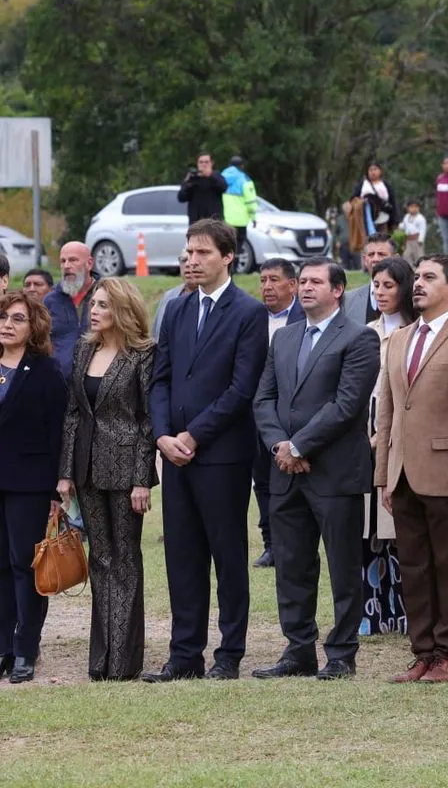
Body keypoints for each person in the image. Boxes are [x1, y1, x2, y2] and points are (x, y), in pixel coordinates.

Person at [145, 219, 268, 683]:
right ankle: (184, 654)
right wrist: (162, 436)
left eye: (202, 253)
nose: (191, 260)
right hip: (174, 455)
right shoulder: (176, 309)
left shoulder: (248, 312)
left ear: (227, 257)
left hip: (221, 456)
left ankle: (229, 653)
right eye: (188, 252)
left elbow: (241, 389)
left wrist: (193, 436)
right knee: (182, 555)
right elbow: (160, 379)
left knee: (227, 554)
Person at [251, 258, 380, 681]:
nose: (305, 288)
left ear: (338, 290)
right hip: (285, 471)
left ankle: (341, 653)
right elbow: (263, 400)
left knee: (343, 566)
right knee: (291, 564)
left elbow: (346, 405)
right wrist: (279, 446)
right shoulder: (284, 338)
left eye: (315, 282)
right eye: (302, 281)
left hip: (334, 472)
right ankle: (298, 649)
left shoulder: (359, 338)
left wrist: (300, 444)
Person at [376, 255, 448, 684]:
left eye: (430, 278)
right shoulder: (399, 338)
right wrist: (384, 474)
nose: (419, 284)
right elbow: (387, 412)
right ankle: (422, 651)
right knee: (414, 567)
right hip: (403, 474)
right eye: (418, 277)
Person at [57, 278, 156, 681]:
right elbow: (73, 415)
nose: (93, 311)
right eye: (93, 304)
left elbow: (148, 421)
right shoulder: (84, 350)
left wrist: (142, 479)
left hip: (126, 469)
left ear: (122, 311)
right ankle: (100, 660)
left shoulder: (142, 355)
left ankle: (124, 660)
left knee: (126, 560)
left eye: (102, 305)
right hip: (86, 470)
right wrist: (65, 473)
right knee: (100, 558)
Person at [0, 291, 66, 683]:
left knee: (25, 566)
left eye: (18, 318)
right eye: (4, 316)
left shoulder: (45, 370)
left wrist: (58, 486)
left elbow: (57, 429)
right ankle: (3, 647)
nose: (8, 324)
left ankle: (26, 648)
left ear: (34, 326)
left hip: (28, 483)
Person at [361, 256, 416, 635]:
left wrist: (389, 431)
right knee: (367, 531)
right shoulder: (365, 331)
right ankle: (371, 611)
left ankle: (405, 610)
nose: (380, 293)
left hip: (400, 438)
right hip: (363, 439)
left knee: (398, 528)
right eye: (376, 286)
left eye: (389, 286)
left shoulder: (416, 332)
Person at [251, 258, 305, 568]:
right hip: (259, 416)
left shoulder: (304, 317)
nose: (267, 286)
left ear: (292, 284)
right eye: (263, 280)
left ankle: (295, 543)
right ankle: (271, 543)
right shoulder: (253, 317)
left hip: (297, 416)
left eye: (274, 279)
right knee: (263, 483)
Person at [43, 241, 101, 379]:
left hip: (97, 385)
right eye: (63, 261)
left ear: (89, 263)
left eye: (73, 260)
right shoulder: (50, 300)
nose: (67, 266)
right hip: (59, 383)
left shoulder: (108, 295)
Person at [344, 233, 397, 325]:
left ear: (396, 258)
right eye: (371, 254)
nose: (375, 259)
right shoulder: (348, 300)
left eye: (381, 254)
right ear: (365, 259)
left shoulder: (409, 297)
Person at [151, 252, 199, 341]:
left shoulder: (209, 300)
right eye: (184, 260)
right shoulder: (169, 296)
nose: (188, 264)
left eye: (192, 260)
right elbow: (154, 336)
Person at [221, 156, 258, 255]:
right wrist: (253, 217)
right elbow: (250, 201)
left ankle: (227, 267)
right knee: (238, 244)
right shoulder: (245, 179)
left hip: (224, 218)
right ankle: (235, 265)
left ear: (229, 165)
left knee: (225, 243)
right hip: (240, 219)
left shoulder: (220, 177)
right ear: (242, 166)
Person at [177, 152, 227, 225]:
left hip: (214, 221)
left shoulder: (216, 176)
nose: (204, 164)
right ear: (197, 164)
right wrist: (188, 184)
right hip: (196, 221)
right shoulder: (192, 178)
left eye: (206, 162)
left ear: (211, 163)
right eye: (201, 162)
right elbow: (181, 198)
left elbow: (224, 188)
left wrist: (210, 175)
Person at [357, 163, 397, 234]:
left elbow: (392, 201)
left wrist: (395, 221)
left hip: (383, 215)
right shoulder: (363, 184)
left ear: (380, 171)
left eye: (375, 169)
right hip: (365, 215)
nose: (373, 172)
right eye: (370, 170)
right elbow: (354, 198)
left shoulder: (385, 184)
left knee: (382, 237)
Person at [401, 200, 427, 264]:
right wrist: (399, 227)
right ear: (408, 208)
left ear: (419, 208)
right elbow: (404, 225)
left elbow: (422, 229)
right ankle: (411, 270)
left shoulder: (421, 218)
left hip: (417, 240)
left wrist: (421, 239)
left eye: (416, 207)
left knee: (418, 257)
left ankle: (420, 270)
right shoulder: (406, 216)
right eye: (412, 207)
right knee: (406, 255)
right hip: (408, 240)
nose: (414, 209)